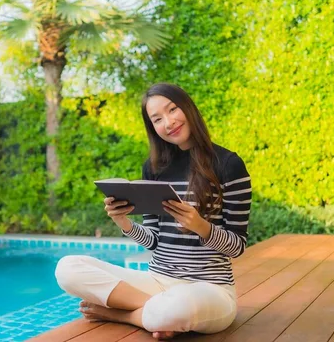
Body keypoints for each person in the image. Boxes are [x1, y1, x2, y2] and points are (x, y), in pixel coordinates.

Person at [54, 82, 252, 340]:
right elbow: (155, 241)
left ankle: (121, 314)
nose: (168, 123)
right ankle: (154, 311)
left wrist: (200, 225)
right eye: (157, 119)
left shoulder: (229, 164)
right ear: (153, 128)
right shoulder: (154, 168)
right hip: (158, 280)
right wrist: (124, 222)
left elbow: (238, 246)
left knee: (175, 308)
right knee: (67, 268)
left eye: (172, 110)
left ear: (188, 108)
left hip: (209, 289)